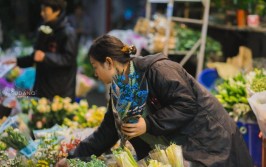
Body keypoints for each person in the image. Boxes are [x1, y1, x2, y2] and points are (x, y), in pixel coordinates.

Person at [57, 35, 253, 167]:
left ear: (108, 62)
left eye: (95, 66)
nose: (95, 74)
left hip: (209, 143)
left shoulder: (158, 69)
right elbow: (107, 132)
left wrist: (148, 124)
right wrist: (73, 157)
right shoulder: (120, 91)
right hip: (183, 150)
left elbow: (186, 104)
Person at [4, 0, 78, 101]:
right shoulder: (43, 29)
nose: (42, 13)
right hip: (42, 86)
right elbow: (36, 56)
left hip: (60, 91)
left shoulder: (68, 33)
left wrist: (45, 57)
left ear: (57, 11)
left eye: (45, 10)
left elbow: (69, 59)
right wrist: (17, 61)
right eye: (41, 10)